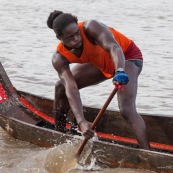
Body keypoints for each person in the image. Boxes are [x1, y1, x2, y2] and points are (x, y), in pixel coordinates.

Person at [47, 10, 150, 150]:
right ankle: (59, 134)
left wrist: (119, 70)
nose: (76, 39)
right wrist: (81, 121)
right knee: (61, 87)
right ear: (59, 38)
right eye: (70, 38)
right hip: (101, 63)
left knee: (126, 109)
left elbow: (114, 47)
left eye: (77, 34)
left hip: (126, 58)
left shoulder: (91, 27)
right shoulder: (59, 58)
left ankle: (147, 152)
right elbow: (71, 88)